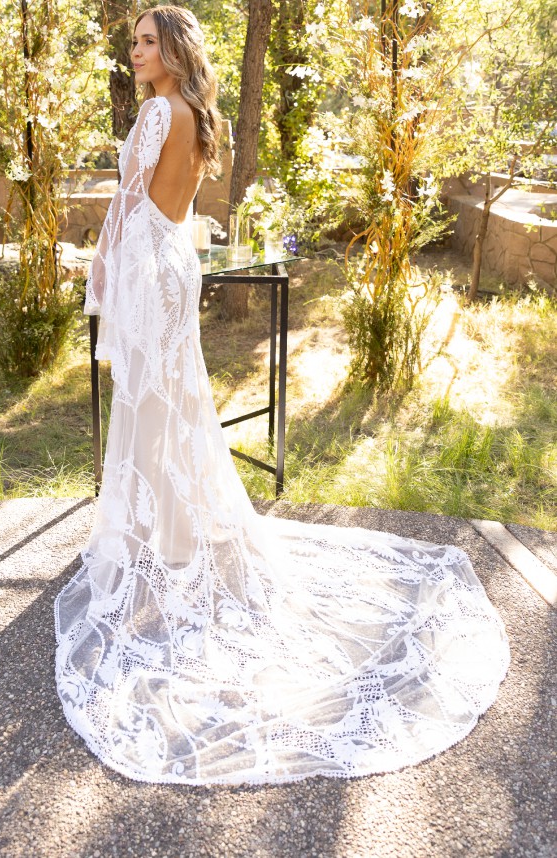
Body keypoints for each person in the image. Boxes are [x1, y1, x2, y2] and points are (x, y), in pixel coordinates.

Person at [55, 5, 509, 785]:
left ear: (173, 50)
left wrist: (98, 268)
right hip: (175, 263)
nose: (135, 51)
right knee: (172, 406)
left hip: (146, 264)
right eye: (132, 41)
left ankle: (155, 546)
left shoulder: (158, 112)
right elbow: (178, 209)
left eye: (147, 41)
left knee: (151, 407)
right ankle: (172, 539)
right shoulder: (197, 115)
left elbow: (127, 203)